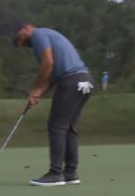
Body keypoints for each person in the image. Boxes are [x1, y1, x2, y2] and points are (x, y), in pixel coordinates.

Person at [12, 21, 93, 186]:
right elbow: (52, 75)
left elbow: (48, 63)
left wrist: (35, 88)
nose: (21, 43)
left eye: (18, 38)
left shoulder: (38, 35)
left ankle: (56, 173)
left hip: (71, 81)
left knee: (57, 127)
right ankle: (70, 173)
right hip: (84, 80)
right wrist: (38, 94)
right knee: (68, 127)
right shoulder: (45, 38)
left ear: (26, 27)